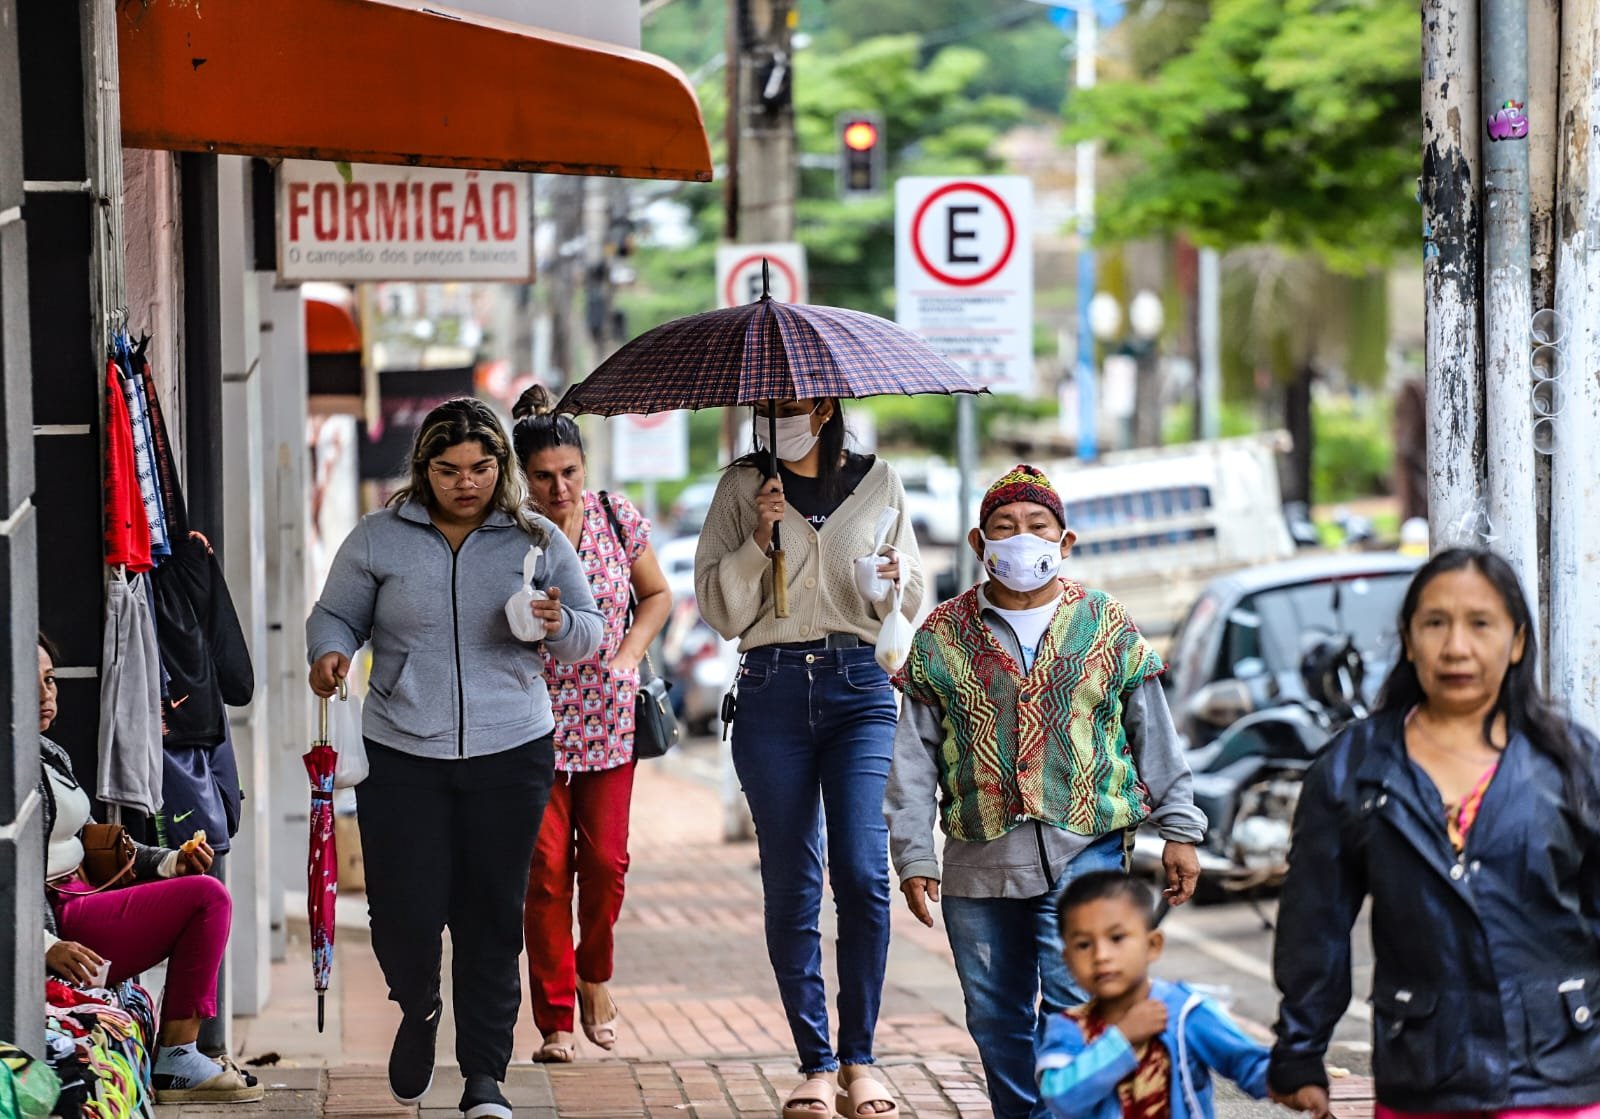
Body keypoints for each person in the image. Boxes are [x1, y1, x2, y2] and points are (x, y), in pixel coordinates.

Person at [307, 398, 603, 1119]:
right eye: (448, 469)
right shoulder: (381, 536)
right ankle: (417, 1002)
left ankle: (485, 1081)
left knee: (490, 916)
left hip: (512, 749)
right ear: (424, 467)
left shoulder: (532, 537)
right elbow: (334, 612)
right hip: (403, 751)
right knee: (403, 913)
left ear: (500, 467)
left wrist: (558, 621)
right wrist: (330, 653)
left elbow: (589, 633)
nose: (465, 482)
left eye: (480, 467)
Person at [885, 464, 1205, 1119]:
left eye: (1038, 527)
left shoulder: (1105, 622)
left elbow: (1154, 732)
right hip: (980, 860)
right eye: (1004, 527)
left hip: (1086, 848)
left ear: (1066, 542)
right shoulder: (942, 635)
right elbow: (911, 760)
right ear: (979, 544)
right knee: (995, 1014)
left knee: (1076, 1003)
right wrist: (914, 853)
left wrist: (1180, 829)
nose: (1021, 539)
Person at [1271, 548, 1600, 1118]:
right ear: (1408, 637)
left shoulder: (1570, 764)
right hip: (1424, 1077)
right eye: (1435, 623)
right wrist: (1299, 1052)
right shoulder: (1353, 767)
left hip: (1563, 1080)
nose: (1457, 648)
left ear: (1517, 641)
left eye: (1480, 624)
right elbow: (1314, 921)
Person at [694, 397, 922, 1119]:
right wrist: (759, 538)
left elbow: (912, 594)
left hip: (860, 686)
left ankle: (862, 1057)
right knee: (792, 882)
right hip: (771, 691)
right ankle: (816, 1063)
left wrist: (894, 577)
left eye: (788, 405)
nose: (774, 416)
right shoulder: (741, 488)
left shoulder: (879, 480)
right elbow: (719, 608)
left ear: (824, 406)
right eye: (766, 406)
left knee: (861, 870)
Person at [511, 386, 672, 1063]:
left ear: (585, 467)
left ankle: (596, 975)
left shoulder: (615, 515)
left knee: (605, 863)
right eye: (544, 477)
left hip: (608, 721)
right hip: (528, 725)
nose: (559, 489)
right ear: (523, 475)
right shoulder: (507, 532)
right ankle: (554, 1018)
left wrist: (629, 657)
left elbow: (657, 594)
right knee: (545, 870)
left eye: (569, 473)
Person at [36, 635, 262, 1106]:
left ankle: (179, 1053)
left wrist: (168, 861)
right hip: (59, 918)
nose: (46, 694)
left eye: (51, 680)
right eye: (29, 682)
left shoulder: (47, 753)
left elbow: (91, 836)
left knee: (199, 883)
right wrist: (45, 946)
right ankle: (177, 1059)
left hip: (83, 895)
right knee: (207, 897)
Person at [1036, 872, 1269, 1119]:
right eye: (1084, 944)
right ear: (1068, 960)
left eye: (1117, 938)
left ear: (1153, 945)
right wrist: (1122, 1039)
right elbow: (1060, 1097)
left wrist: (1298, 1080)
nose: (1101, 955)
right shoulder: (1069, 1027)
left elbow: (1247, 1064)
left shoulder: (1183, 1011)